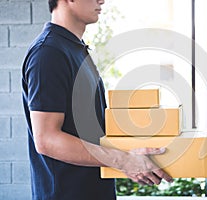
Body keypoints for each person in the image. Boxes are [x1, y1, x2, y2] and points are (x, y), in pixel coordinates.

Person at [21, 0, 173, 199]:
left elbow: (90, 133)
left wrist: (131, 153)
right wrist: (124, 160)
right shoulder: (49, 53)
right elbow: (47, 139)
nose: (102, 0)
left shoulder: (75, 49)